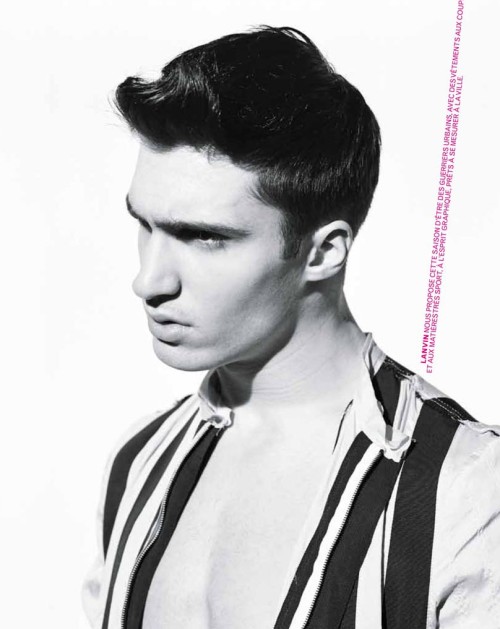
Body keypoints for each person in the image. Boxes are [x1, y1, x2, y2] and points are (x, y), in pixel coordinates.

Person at [82, 26, 500, 629]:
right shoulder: (138, 461)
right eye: (145, 226)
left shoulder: (465, 490)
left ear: (323, 251)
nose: (149, 281)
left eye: (203, 237)